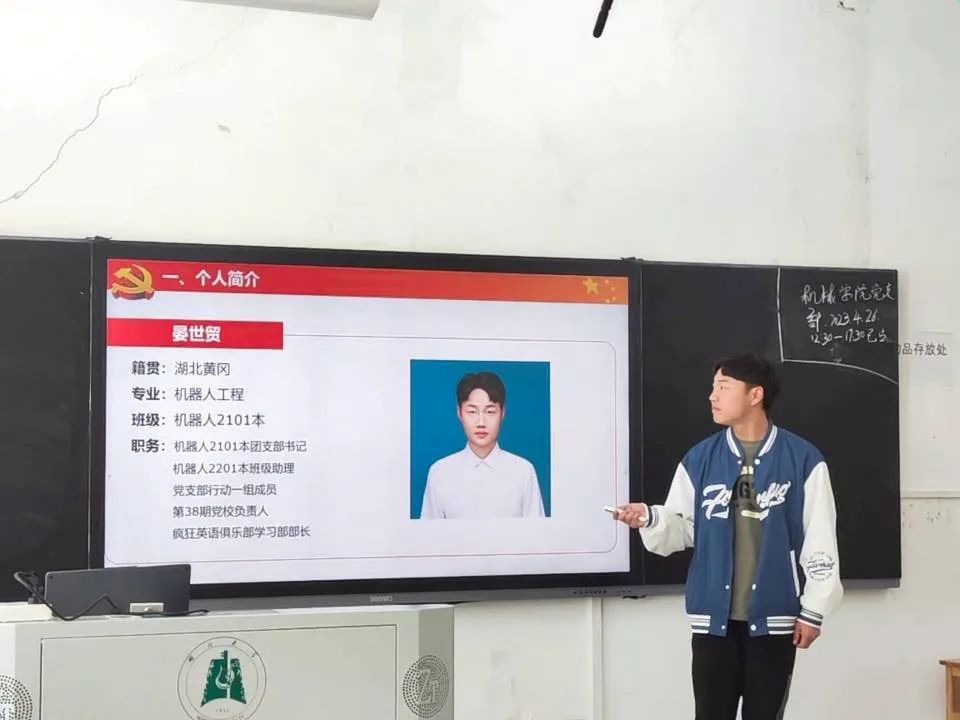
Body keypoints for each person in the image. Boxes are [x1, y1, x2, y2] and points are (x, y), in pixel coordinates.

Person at [614, 353, 842, 720]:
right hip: (713, 623)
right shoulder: (700, 459)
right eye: (713, 387)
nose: (712, 396)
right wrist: (650, 518)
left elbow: (819, 537)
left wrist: (814, 610)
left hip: (774, 621)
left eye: (723, 387)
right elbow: (684, 529)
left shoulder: (803, 459)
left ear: (755, 395)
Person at [420, 371, 545, 519]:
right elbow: (429, 533)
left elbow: (537, 532)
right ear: (459, 413)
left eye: (490, 411)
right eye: (472, 411)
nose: (481, 422)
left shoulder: (523, 471)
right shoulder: (440, 473)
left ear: (502, 413)